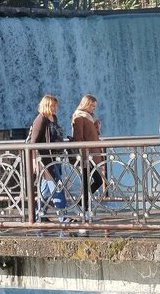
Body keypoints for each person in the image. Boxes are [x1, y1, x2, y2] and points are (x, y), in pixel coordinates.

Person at [28, 94, 67, 223]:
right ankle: (63, 217)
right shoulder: (40, 119)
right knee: (57, 187)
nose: (55, 108)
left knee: (45, 191)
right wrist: (34, 161)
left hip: (54, 158)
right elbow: (33, 143)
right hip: (45, 160)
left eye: (56, 106)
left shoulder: (53, 118)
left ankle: (40, 215)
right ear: (46, 105)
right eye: (52, 106)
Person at [71, 94, 104, 222]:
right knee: (95, 181)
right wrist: (83, 156)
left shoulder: (88, 117)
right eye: (92, 106)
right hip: (86, 156)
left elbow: (91, 135)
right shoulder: (79, 116)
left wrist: (96, 128)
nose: (93, 108)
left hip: (91, 155)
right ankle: (80, 207)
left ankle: (84, 210)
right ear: (86, 104)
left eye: (94, 106)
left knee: (89, 183)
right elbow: (78, 137)